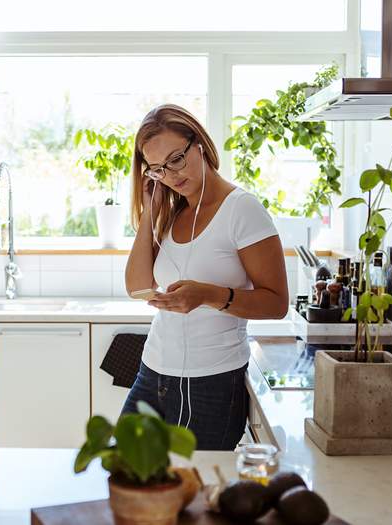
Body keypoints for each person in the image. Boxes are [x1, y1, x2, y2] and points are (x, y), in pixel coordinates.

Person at [122, 104, 289, 450]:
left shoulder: (242, 210)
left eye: (176, 160)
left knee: (189, 496)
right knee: (124, 473)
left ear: (198, 144)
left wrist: (208, 295)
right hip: (153, 373)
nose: (170, 175)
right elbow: (138, 286)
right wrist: (150, 207)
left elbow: (276, 303)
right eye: (156, 169)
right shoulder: (172, 211)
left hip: (210, 384)